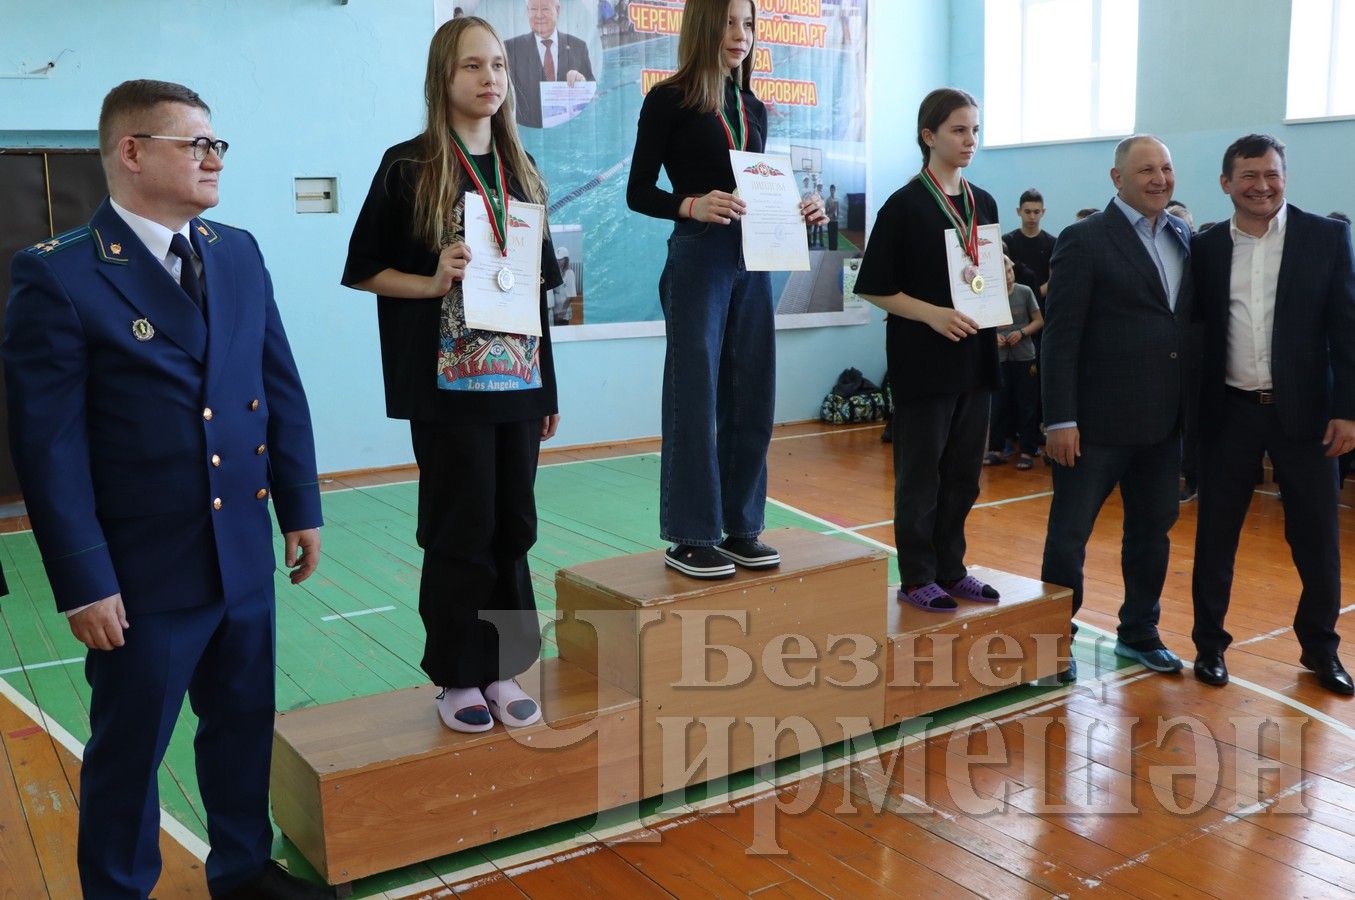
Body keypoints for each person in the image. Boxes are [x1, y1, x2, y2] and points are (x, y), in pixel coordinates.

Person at [2, 79, 326, 899]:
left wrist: (301, 504)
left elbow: (276, 384)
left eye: (217, 143)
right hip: (145, 571)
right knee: (129, 748)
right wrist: (84, 579)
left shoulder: (237, 251)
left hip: (243, 555)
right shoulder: (62, 276)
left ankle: (244, 873)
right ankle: (117, 889)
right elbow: (50, 446)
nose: (213, 157)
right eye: (196, 143)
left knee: (243, 726)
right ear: (132, 152)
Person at [342, 17, 563, 731]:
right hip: (446, 387)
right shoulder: (407, 166)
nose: (490, 78)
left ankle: (501, 669)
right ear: (444, 77)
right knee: (458, 527)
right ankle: (455, 678)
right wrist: (433, 280)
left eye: (498, 65)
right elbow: (364, 270)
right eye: (473, 65)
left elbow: (537, 293)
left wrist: (547, 390)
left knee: (514, 528)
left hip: (519, 385)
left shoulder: (523, 173)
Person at [626, 0, 825, 579]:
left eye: (749, 24)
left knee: (752, 390)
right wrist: (690, 203)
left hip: (755, 254)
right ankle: (691, 535)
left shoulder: (752, 107)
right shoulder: (668, 100)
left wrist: (799, 209)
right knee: (696, 394)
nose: (741, 36)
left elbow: (753, 192)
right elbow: (638, 192)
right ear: (704, 27)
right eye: (730, 23)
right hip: (700, 257)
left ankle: (742, 526)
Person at [1189, 134, 1355, 694]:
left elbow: (1347, 331)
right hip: (1229, 413)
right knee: (1215, 536)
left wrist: (1348, 412)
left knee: (1317, 539)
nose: (1262, 186)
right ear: (1226, 183)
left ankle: (1320, 650)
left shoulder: (1327, 238)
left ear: (1285, 176)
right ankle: (1209, 647)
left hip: (1306, 416)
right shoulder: (1206, 247)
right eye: (1249, 176)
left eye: (1272, 174)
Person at [1040, 135, 1193, 681]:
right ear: (1117, 178)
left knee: (1152, 534)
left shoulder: (1182, 236)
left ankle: (1140, 633)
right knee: (1069, 537)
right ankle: (1052, 642)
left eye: (1166, 168)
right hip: (1094, 427)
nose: (1159, 178)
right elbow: (1060, 337)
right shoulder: (1085, 239)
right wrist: (1061, 418)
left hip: (1162, 425)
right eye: (1146, 169)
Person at [853, 87, 1002, 612]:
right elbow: (872, 286)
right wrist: (932, 313)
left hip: (975, 358)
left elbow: (974, 272)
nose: (970, 141)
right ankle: (917, 575)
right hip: (923, 360)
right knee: (921, 475)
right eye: (959, 130)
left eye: (975, 130)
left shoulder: (983, 201)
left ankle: (952, 568)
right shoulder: (904, 205)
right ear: (929, 136)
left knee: (964, 475)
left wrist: (999, 276)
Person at [985, 256, 1043, 470]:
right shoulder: (988, 295)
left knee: (1026, 404)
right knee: (999, 404)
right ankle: (996, 449)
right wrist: (993, 337)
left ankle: (1027, 450)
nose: (1008, 277)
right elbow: (983, 324)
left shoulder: (1025, 292)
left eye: (1009, 271)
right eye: (1003, 274)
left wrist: (1021, 332)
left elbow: (1038, 320)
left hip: (1025, 357)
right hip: (1000, 359)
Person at [505, 0, 596, 128]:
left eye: (545, 9)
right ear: (527, 11)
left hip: (570, 129)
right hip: (530, 133)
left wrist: (582, 83)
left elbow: (592, 90)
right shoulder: (510, 48)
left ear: (557, 10)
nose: (539, 15)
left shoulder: (578, 47)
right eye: (533, 9)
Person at [1003, 188, 1056, 304]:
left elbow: (1055, 277)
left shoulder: (1053, 243)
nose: (1032, 217)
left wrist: (1034, 296)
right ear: (1019, 211)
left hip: (1043, 304)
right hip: (1012, 303)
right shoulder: (1006, 242)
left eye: (1036, 212)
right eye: (1027, 212)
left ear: (1043, 212)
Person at [552, 245, 577, 324]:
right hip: (555, 311)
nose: (558, 261)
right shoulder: (557, 272)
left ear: (566, 259)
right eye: (557, 259)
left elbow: (570, 296)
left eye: (561, 259)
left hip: (563, 313)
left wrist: (562, 313)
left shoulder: (569, 273)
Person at [825, 184, 841, 250]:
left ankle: (835, 250)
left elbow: (838, 209)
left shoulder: (837, 199)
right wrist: (831, 209)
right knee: (830, 237)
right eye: (831, 190)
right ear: (830, 190)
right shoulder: (828, 200)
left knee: (835, 236)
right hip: (830, 220)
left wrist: (837, 216)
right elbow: (826, 211)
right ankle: (831, 251)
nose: (832, 191)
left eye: (833, 189)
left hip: (835, 220)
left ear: (835, 190)